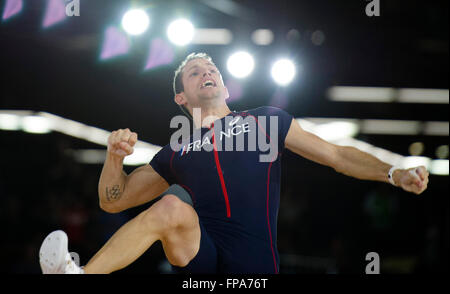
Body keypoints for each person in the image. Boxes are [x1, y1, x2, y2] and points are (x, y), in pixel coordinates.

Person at [39, 53, 429, 274]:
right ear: (181, 97)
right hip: (202, 262)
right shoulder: (176, 151)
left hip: (254, 270)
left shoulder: (265, 120)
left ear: (224, 86)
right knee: (171, 207)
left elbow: (338, 155)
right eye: (195, 72)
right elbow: (114, 200)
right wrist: (113, 157)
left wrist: (392, 172)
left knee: (174, 206)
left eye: (212, 69)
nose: (207, 72)